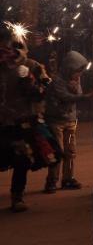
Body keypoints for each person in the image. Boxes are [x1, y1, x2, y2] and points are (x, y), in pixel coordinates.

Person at [0, 24, 60, 212]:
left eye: (7, 49)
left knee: (22, 159)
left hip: (23, 120)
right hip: (3, 121)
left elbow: (46, 91)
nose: (4, 54)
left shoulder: (32, 66)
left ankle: (17, 196)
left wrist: (31, 84)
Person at [44, 50, 93, 193]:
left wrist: (77, 90)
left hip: (70, 121)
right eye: (77, 71)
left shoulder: (76, 80)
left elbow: (77, 94)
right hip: (56, 121)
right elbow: (65, 96)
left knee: (70, 151)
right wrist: (85, 96)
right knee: (57, 151)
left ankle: (68, 178)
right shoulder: (57, 81)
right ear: (70, 68)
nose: (79, 74)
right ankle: (52, 180)